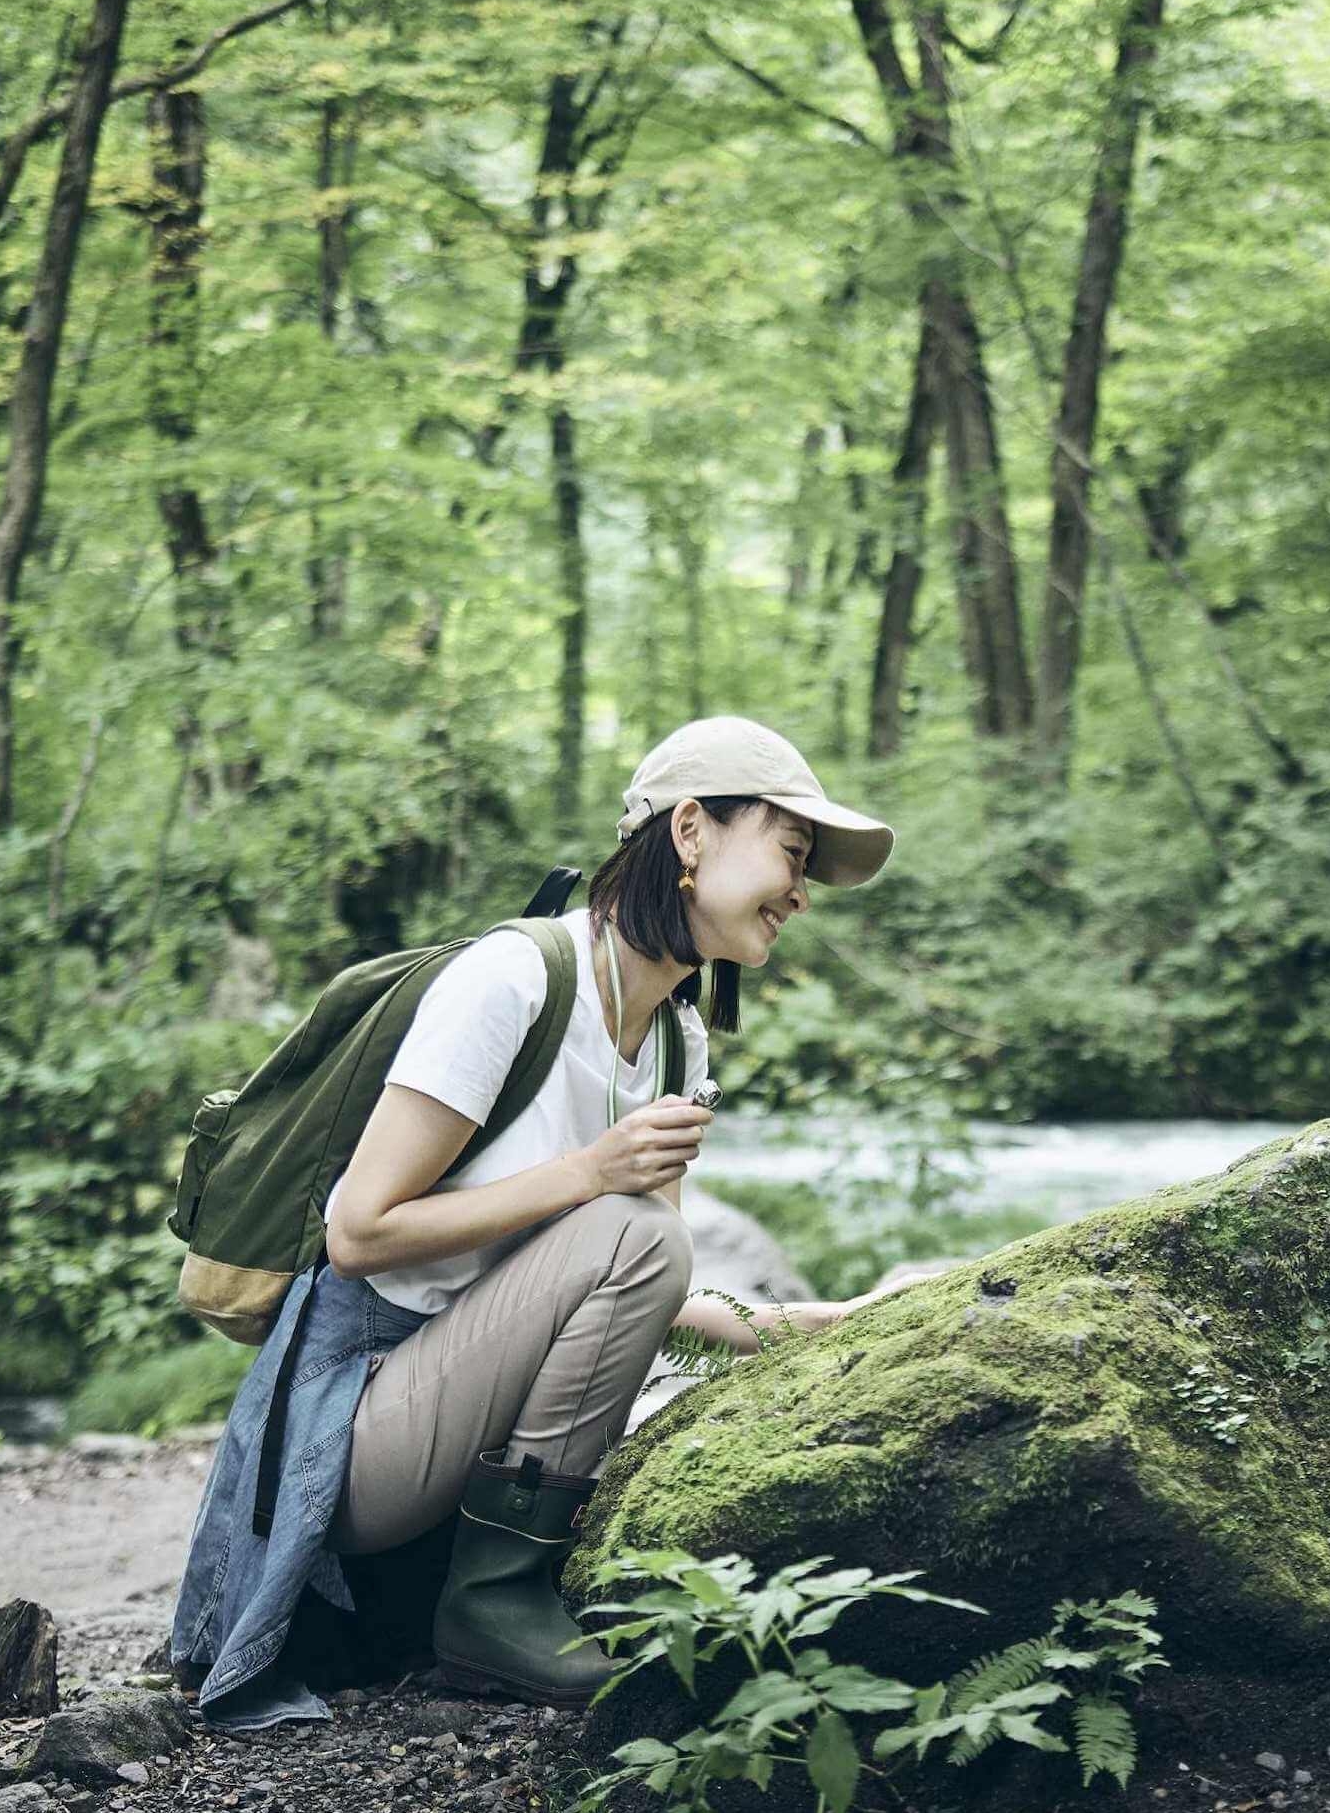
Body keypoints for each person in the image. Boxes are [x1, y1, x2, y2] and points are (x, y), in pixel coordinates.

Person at [171, 718, 907, 1718]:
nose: (800, 892)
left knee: (643, 1241)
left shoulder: (676, 1045)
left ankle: (493, 1589)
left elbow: (653, 1288)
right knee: (633, 1228)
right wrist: (585, 1173)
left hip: (460, 1411)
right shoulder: (512, 979)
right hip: (349, 1429)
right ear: (690, 830)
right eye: (789, 852)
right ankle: (491, 1602)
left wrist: (841, 1319)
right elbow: (358, 1232)